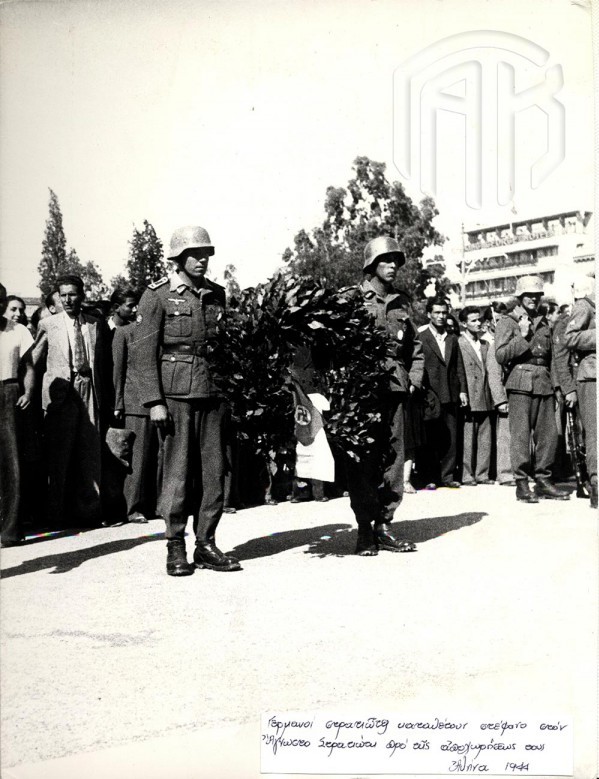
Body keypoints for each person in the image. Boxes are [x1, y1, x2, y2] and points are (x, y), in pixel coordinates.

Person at [133, 225, 240, 576]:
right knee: (177, 471)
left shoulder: (217, 294)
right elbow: (143, 353)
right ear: (178, 259)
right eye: (194, 255)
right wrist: (154, 401)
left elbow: (224, 346)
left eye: (206, 254)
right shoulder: (157, 296)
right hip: (176, 394)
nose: (201, 260)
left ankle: (206, 543)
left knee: (213, 472)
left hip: (213, 393)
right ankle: (175, 544)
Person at [340, 235, 422, 556]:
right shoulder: (353, 299)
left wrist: (414, 379)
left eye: (396, 262)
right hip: (363, 390)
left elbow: (415, 348)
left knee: (394, 456)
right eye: (386, 261)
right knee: (365, 459)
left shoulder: (402, 303)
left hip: (396, 388)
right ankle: (364, 528)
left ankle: (384, 525)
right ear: (372, 264)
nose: (392, 266)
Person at [31, 274, 111, 527]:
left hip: (89, 388)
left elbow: (105, 363)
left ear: (82, 296)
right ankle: (55, 514)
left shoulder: (95, 323)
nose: (67, 300)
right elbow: (33, 362)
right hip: (61, 394)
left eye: (72, 294)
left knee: (90, 452)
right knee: (59, 455)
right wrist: (30, 393)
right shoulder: (48, 324)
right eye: (63, 295)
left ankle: (89, 513)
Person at [494, 275, 569, 503]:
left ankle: (544, 480)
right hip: (520, 383)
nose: (533, 299)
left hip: (544, 383)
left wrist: (557, 386)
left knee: (548, 436)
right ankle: (521, 483)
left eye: (537, 295)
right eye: (529, 295)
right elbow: (501, 355)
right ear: (520, 296)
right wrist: (523, 335)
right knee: (520, 436)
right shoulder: (508, 321)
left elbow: (552, 357)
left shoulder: (545, 322)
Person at [112, 320, 160, 523]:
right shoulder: (125, 333)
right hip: (136, 403)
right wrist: (118, 403)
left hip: (163, 403)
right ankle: (132, 508)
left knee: (158, 457)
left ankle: (155, 505)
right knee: (137, 459)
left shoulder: (161, 329)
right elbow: (118, 369)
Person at [419, 296, 468, 488]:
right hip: (430, 395)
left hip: (451, 393)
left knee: (451, 437)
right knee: (430, 437)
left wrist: (462, 390)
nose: (441, 316)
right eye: (437, 312)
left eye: (444, 313)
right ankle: (430, 478)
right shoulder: (421, 337)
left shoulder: (452, 338)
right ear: (429, 314)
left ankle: (447, 476)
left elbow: (459, 366)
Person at [0, 283, 34, 546]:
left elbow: (29, 367)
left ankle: (10, 530)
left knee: (11, 461)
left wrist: (28, 392)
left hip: (9, 392)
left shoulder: (19, 330)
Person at [458, 306, 508, 485]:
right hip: (470, 395)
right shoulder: (459, 343)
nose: (478, 323)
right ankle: (466, 474)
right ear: (464, 324)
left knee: (485, 436)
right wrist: (462, 391)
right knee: (468, 437)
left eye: (479, 319)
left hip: (486, 395)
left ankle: (482, 474)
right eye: (473, 321)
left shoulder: (486, 344)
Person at [564, 275, 596, 508]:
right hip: (592, 375)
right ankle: (596, 482)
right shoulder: (585, 305)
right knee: (595, 433)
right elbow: (570, 337)